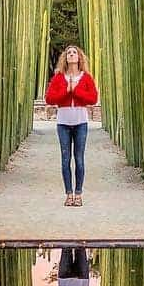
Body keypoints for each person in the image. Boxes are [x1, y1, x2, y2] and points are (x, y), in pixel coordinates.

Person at [43, 45, 99, 206]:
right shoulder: (59, 78)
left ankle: (79, 194)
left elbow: (93, 98)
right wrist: (67, 90)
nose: (71, 55)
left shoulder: (86, 77)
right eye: (69, 53)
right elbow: (50, 98)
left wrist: (76, 91)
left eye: (74, 53)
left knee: (79, 159)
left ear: (79, 57)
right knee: (65, 159)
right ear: (65, 58)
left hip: (81, 122)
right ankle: (68, 194)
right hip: (63, 123)